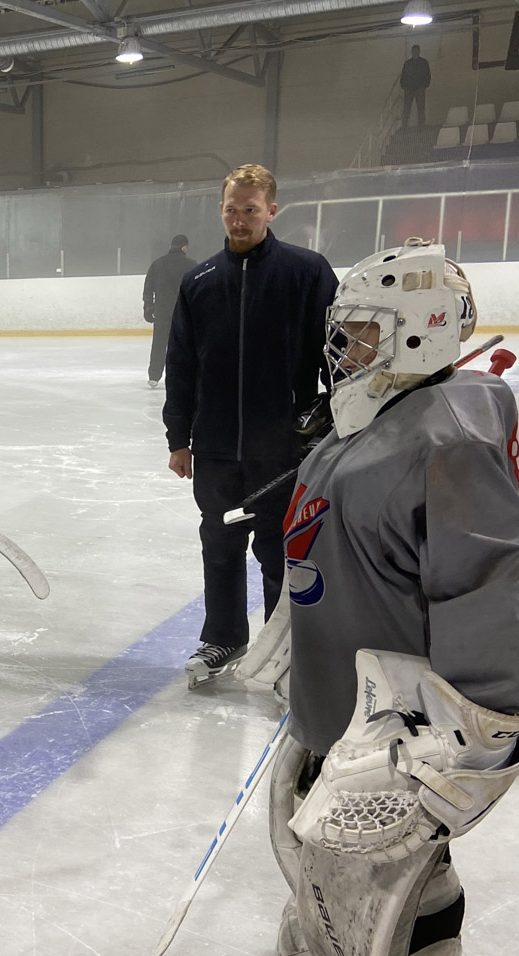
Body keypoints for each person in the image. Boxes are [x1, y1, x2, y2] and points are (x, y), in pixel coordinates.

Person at [266, 239, 519, 956]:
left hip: (394, 716)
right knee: (306, 821)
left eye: (359, 335)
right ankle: (327, 940)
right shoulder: (374, 422)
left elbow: (496, 579)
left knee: (403, 866)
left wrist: (481, 719)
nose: (340, 353)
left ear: (417, 334)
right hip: (337, 693)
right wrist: (289, 633)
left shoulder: (442, 438)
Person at [162, 163, 338, 687]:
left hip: (283, 449)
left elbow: (337, 355)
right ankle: (224, 638)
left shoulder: (306, 273)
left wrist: (341, 419)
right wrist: (178, 439)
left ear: (272, 211)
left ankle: (284, 648)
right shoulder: (200, 281)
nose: (240, 221)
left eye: (251, 211)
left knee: (279, 552)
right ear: (221, 210)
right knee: (219, 544)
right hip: (216, 447)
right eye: (232, 210)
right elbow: (182, 365)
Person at [142, 234, 191, 387]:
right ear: (184, 247)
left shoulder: (157, 264)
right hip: (182, 313)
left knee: (159, 344)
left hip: (162, 312)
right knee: (183, 345)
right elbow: (196, 289)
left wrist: (148, 307)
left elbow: (148, 288)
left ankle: (154, 376)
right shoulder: (190, 265)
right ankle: (181, 376)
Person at [399, 45, 431, 126]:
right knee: (407, 108)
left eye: (416, 51)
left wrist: (424, 85)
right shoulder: (408, 63)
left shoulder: (423, 62)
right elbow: (403, 75)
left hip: (419, 88)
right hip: (409, 89)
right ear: (411, 52)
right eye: (413, 51)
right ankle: (404, 126)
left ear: (419, 51)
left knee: (420, 108)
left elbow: (428, 75)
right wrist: (404, 86)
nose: (415, 52)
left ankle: (421, 126)